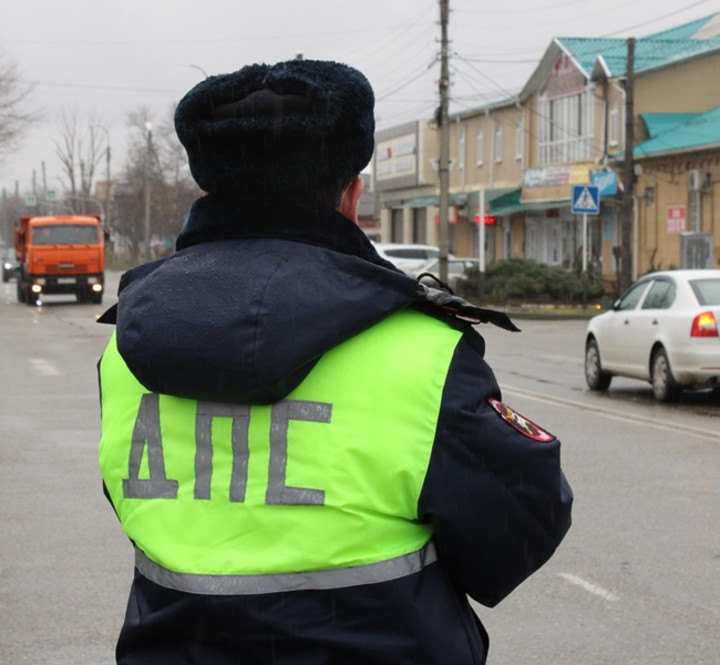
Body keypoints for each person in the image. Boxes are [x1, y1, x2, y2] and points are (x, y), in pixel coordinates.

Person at [97, 59, 573, 665]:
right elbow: (519, 530)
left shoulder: (128, 348)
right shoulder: (422, 353)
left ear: (208, 192)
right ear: (352, 195)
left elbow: (136, 507)